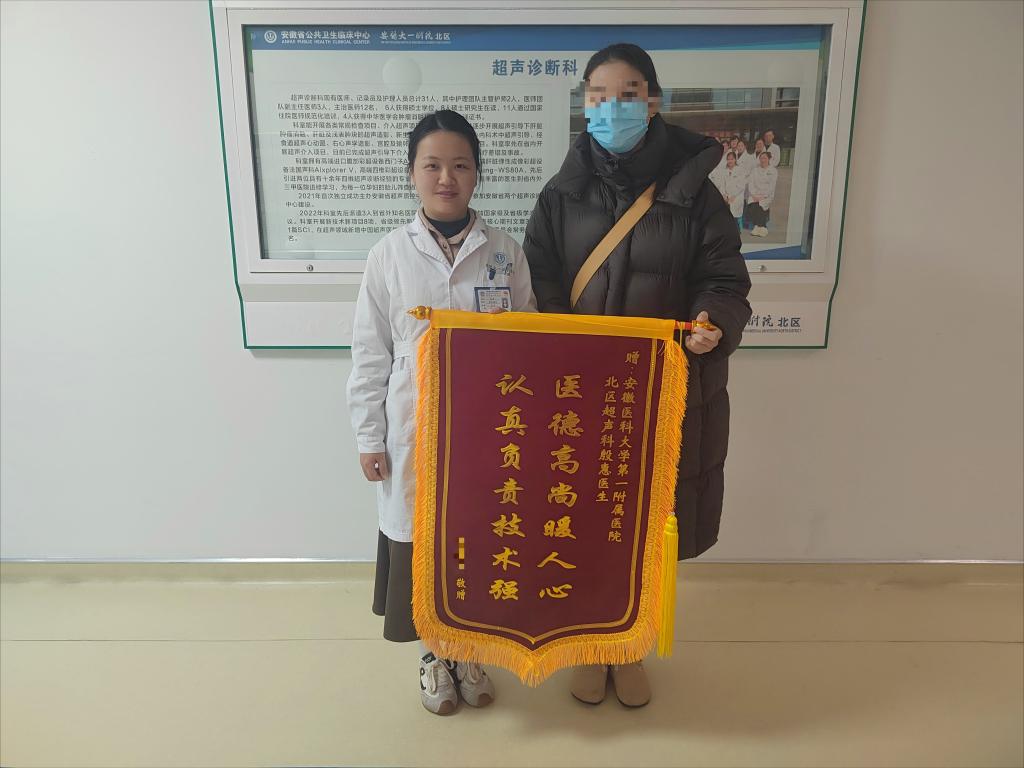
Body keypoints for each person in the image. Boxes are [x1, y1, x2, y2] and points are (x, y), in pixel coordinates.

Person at [524, 43, 751, 708]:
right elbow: (539, 280)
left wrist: (713, 320)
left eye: (626, 94)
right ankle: (589, 644)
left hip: (661, 392)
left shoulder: (696, 193)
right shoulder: (561, 193)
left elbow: (724, 279)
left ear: (652, 101)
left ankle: (630, 647)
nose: (610, 108)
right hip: (582, 394)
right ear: (584, 103)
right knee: (581, 520)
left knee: (646, 524)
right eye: (597, 95)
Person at [347, 109, 537, 716]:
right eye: (432, 165)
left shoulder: (504, 251)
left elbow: (530, 338)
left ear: (477, 173)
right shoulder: (388, 255)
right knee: (423, 540)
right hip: (413, 424)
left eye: (460, 165)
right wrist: (369, 436)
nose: (446, 178)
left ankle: (468, 648)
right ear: (412, 173)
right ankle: (434, 655)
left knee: (479, 535)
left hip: (488, 424)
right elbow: (370, 352)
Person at [745, 149, 778, 237]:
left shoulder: (773, 171)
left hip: (767, 195)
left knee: (761, 205)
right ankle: (759, 227)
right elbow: (751, 183)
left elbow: (772, 186)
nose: (763, 160)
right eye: (761, 158)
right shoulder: (755, 170)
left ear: (769, 159)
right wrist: (754, 195)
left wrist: (764, 196)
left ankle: (761, 227)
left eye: (765, 158)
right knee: (753, 205)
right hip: (755, 194)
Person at [721, 151, 747, 227]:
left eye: (732, 159)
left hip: (736, 196)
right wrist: (724, 194)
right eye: (728, 159)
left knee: (734, 213)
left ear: (735, 160)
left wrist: (733, 196)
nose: (730, 161)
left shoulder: (740, 170)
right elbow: (722, 184)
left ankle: (735, 228)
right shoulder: (724, 171)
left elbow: (741, 186)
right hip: (726, 196)